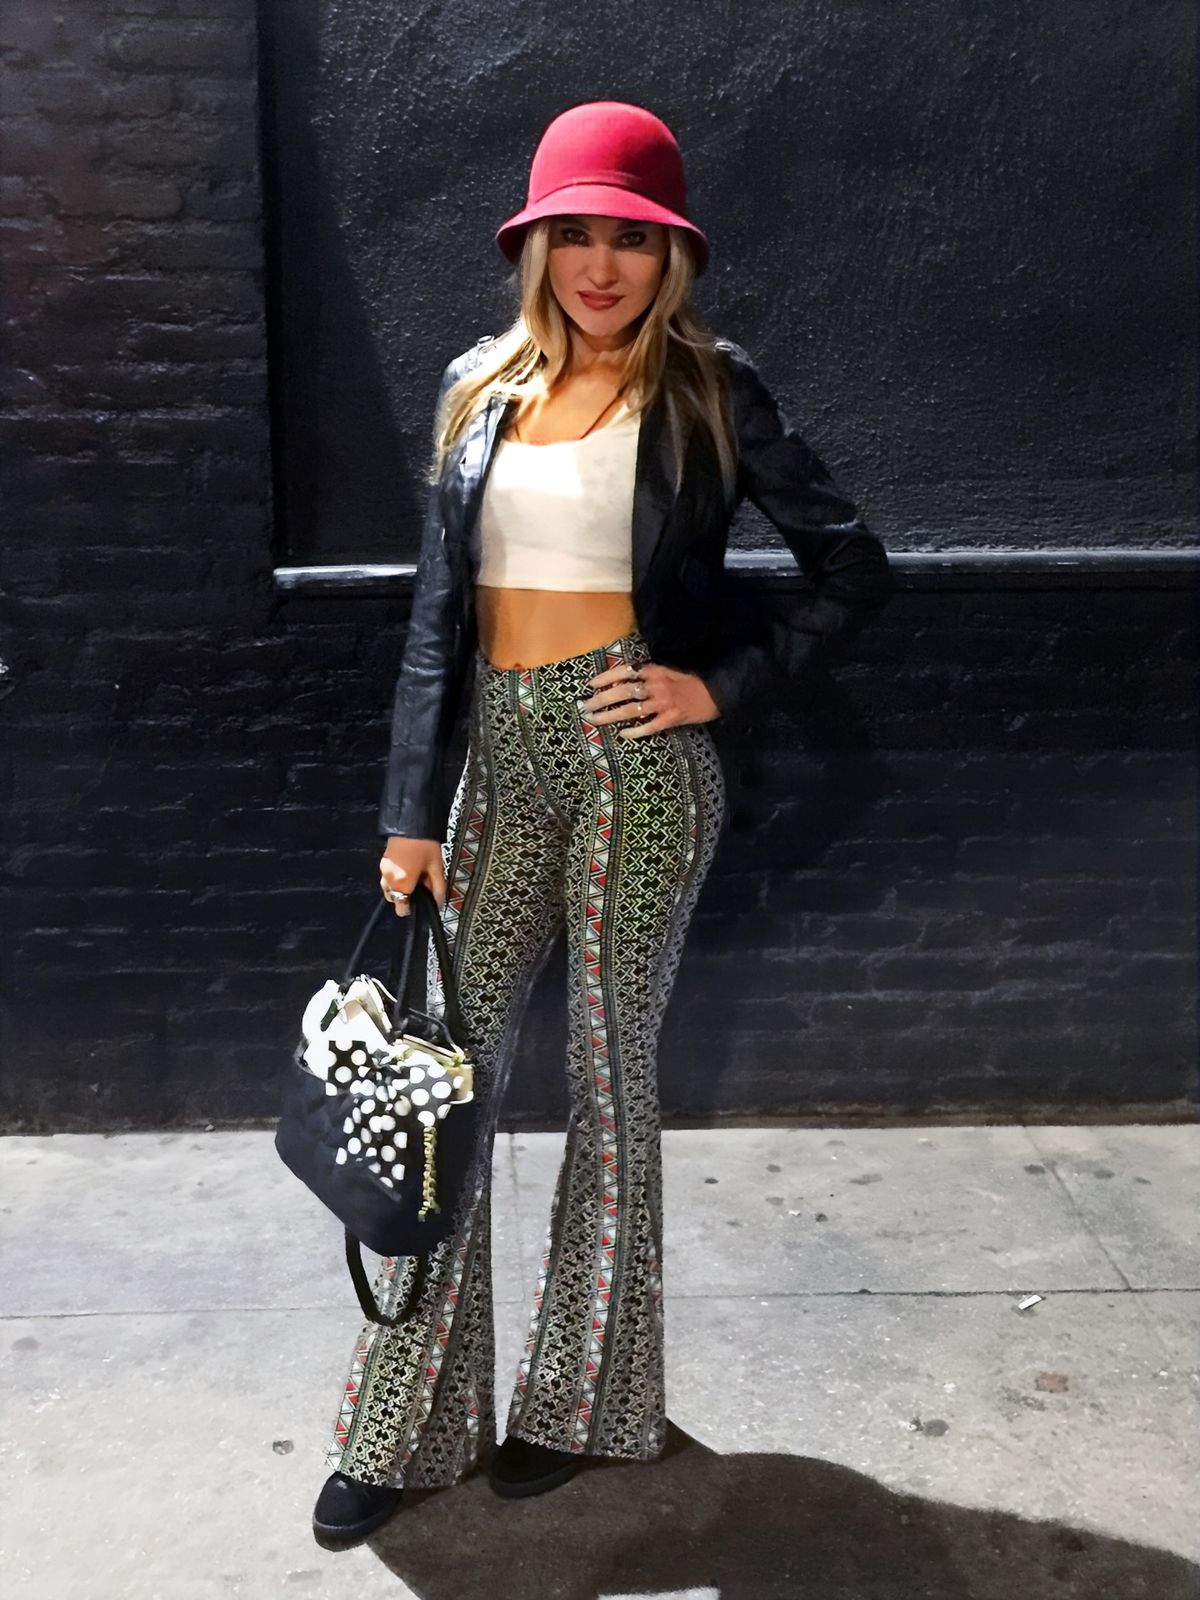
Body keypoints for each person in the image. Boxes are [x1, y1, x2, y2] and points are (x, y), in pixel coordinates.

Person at [313, 99, 894, 1548]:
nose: (599, 264)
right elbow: (435, 625)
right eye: (572, 234)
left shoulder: (710, 390)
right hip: (497, 760)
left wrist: (718, 685)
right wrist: (410, 809)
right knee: (443, 1083)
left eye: (630, 238)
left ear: (669, 254)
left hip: (636, 761)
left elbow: (851, 564)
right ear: (534, 248)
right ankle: (406, 1424)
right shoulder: (478, 388)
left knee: (608, 1079)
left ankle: (584, 1404)